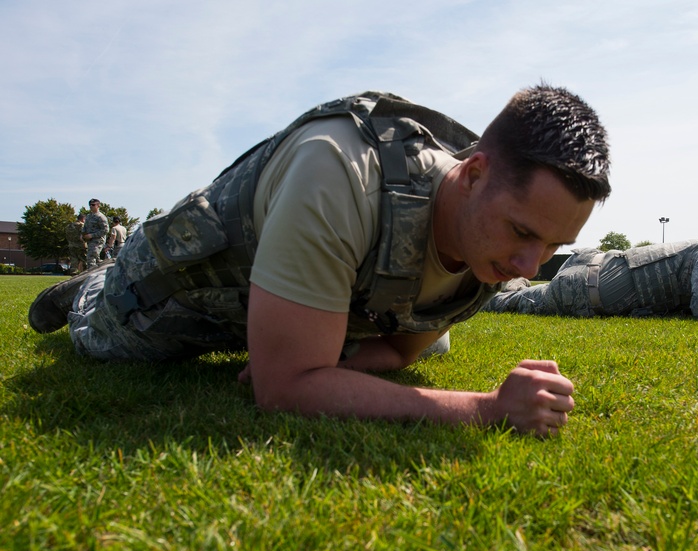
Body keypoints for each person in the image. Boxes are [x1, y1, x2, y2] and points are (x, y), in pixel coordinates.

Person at [28, 86, 611, 437]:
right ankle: (91, 288)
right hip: (182, 288)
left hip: (287, 302)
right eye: (522, 233)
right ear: (475, 173)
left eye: (551, 248)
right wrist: (484, 410)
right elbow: (282, 392)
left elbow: (402, 346)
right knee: (107, 337)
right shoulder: (340, 172)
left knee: (433, 345)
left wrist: (328, 371)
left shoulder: (486, 238)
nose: (529, 266)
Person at [483, 227, 698, 321]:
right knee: (499, 303)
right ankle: (490, 281)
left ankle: (516, 283)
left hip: (590, 278)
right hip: (581, 291)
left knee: (521, 296)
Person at [81, 198, 109, 269]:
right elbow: (85, 227)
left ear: (98, 206)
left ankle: (90, 276)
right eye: (90, 205)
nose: (91, 206)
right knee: (96, 259)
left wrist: (92, 235)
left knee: (91, 258)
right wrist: (83, 235)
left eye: (93, 205)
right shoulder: (88, 216)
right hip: (90, 241)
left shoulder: (101, 217)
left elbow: (105, 230)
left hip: (97, 241)